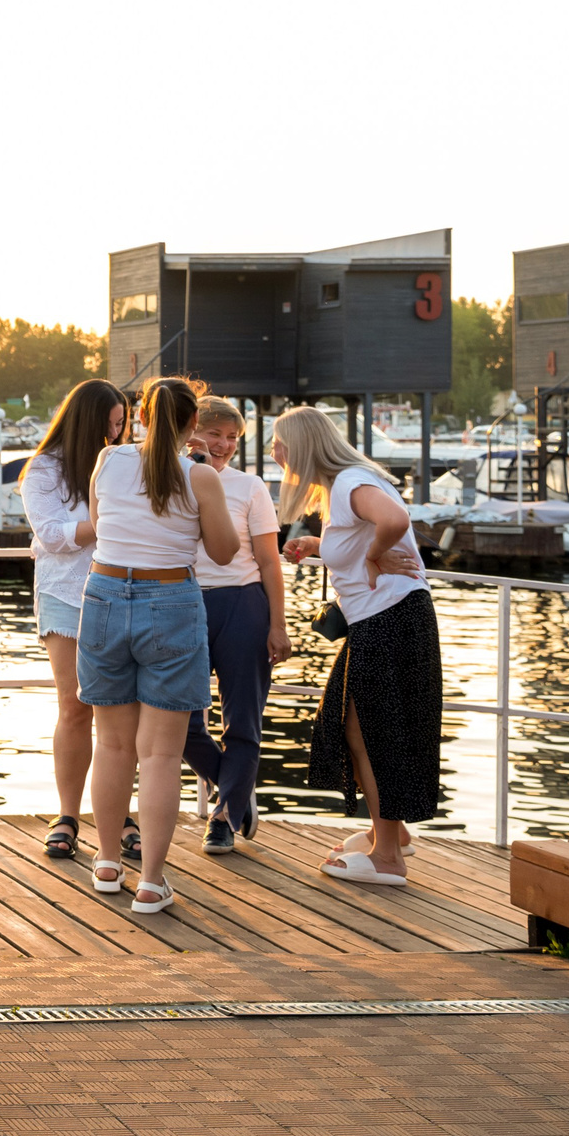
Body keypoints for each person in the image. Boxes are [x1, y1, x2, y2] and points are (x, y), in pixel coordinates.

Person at [79, 377, 240, 914]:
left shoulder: (108, 462)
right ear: (194, 424)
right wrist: (208, 481)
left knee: (114, 746)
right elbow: (222, 552)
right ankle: (150, 882)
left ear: (142, 414)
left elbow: (102, 529)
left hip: (103, 594)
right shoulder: (200, 477)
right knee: (161, 754)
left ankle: (105, 861)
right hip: (169, 599)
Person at [271, 406, 441, 883]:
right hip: (388, 618)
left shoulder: (348, 482)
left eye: (279, 443)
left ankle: (388, 856)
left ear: (300, 445)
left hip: (389, 619)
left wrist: (375, 556)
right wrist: (317, 547)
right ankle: (390, 832)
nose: (274, 453)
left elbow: (394, 519)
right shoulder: (343, 485)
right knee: (356, 724)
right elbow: (370, 529)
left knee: (369, 729)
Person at [20, 380, 127, 859]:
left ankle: (118, 813)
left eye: (122, 424)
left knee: (117, 710)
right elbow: (52, 534)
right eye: (112, 423)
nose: (118, 433)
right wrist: (106, 521)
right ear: (90, 420)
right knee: (73, 705)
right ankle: (67, 814)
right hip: (64, 593)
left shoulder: (123, 465)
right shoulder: (44, 469)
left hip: (121, 592)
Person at [181, 397, 289, 850]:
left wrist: (278, 624)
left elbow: (268, 559)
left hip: (244, 605)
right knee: (179, 723)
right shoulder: (171, 478)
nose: (224, 445)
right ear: (191, 431)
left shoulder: (251, 488)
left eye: (232, 437)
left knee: (243, 719)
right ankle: (237, 789)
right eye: (215, 433)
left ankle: (223, 817)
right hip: (182, 604)